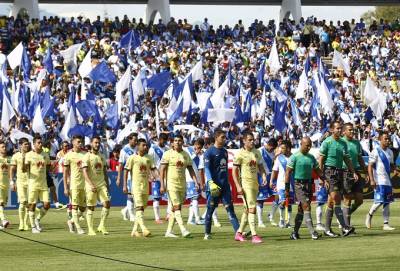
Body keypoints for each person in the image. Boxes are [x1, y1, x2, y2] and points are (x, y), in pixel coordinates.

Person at [319, 121, 356, 237]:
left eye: (340, 128)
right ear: (331, 129)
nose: (339, 130)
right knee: (336, 198)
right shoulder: (327, 142)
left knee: (331, 201)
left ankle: (327, 229)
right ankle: (345, 227)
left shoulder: (343, 143)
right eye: (337, 128)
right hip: (330, 172)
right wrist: (321, 177)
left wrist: (353, 171)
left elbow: (347, 159)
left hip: (340, 172)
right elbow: (321, 160)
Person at [160, 134, 201, 238]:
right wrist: (162, 184)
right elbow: (162, 170)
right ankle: (183, 229)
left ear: (182, 142)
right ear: (172, 143)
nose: (177, 142)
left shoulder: (186, 155)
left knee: (176, 208)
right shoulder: (167, 154)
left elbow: (190, 168)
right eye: (176, 140)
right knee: (177, 206)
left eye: (179, 140)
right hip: (171, 184)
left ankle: (168, 232)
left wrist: (196, 182)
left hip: (182, 184)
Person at [203, 129, 240, 240]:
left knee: (230, 209)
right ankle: (207, 234)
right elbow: (207, 169)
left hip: (224, 187)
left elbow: (223, 170)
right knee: (210, 209)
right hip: (214, 186)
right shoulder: (209, 152)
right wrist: (210, 183)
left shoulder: (224, 151)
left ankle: (238, 232)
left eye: (225, 137)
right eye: (222, 137)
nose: (224, 139)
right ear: (216, 137)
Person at [232, 132, 268, 244]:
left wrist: (263, 176)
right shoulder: (240, 154)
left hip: (255, 184)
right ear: (244, 141)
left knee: (247, 210)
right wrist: (238, 186)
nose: (253, 142)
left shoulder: (257, 152)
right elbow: (234, 172)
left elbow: (261, 166)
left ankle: (239, 233)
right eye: (250, 140)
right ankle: (254, 235)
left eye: (253, 140)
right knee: (252, 208)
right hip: (245, 184)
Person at [285, 137, 324, 240]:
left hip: (309, 185)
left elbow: (318, 170)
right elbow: (288, 172)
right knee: (306, 206)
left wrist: (325, 179)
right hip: (299, 185)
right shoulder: (294, 157)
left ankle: (294, 233)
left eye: (310, 145)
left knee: (301, 209)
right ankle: (313, 232)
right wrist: (287, 188)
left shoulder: (311, 157)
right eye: (307, 145)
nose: (309, 147)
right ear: (301, 144)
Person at [124, 138, 157, 237]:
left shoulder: (148, 157)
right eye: (143, 145)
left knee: (142, 208)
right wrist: (125, 185)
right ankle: (144, 229)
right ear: (138, 146)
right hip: (136, 186)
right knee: (139, 207)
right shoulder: (132, 158)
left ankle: (134, 230)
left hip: (146, 186)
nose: (145, 147)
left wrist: (156, 176)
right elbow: (126, 171)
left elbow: (153, 168)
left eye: (146, 145)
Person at [365, 131, 399, 230]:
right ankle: (369, 215)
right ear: (380, 140)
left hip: (387, 180)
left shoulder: (390, 152)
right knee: (379, 201)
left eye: (388, 139)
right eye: (386, 139)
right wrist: (372, 179)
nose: (388, 140)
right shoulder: (375, 151)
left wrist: (395, 169)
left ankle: (386, 224)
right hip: (379, 180)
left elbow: (391, 164)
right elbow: (370, 166)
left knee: (387, 202)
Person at [82, 136, 110, 236]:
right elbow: (84, 172)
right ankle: (90, 229)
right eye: (95, 143)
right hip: (91, 185)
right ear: (91, 143)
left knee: (107, 204)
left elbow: (105, 172)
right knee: (91, 207)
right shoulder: (87, 156)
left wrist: (107, 184)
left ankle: (101, 226)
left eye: (98, 143)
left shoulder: (102, 156)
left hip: (102, 184)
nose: (97, 145)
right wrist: (90, 184)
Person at [23, 135, 51, 234]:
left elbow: (48, 167)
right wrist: (24, 163)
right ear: (34, 144)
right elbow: (24, 169)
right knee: (32, 205)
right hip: (33, 183)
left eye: (41, 142)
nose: (40, 144)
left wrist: (50, 168)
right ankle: (33, 227)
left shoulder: (45, 154)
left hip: (43, 183)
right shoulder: (29, 155)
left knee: (47, 205)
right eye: (38, 143)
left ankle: (37, 219)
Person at [342, 123, 367, 227]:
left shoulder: (357, 143)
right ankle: (347, 226)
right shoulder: (341, 142)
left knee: (359, 199)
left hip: (356, 171)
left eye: (353, 130)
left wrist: (365, 171)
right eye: (350, 130)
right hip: (345, 171)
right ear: (344, 131)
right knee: (347, 199)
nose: (352, 132)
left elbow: (360, 158)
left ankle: (345, 216)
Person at [63, 135, 86, 235]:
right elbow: (65, 173)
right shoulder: (68, 155)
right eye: (78, 142)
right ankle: (78, 227)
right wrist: (65, 187)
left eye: (81, 142)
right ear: (73, 142)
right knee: (75, 207)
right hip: (74, 184)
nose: (80, 144)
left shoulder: (85, 154)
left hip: (84, 184)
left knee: (83, 208)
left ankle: (71, 221)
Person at [270, 140, 293, 228]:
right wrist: (271, 181)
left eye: (283, 148)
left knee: (289, 203)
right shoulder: (279, 158)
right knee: (283, 201)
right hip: (281, 184)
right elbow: (274, 170)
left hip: (291, 184)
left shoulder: (294, 157)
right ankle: (281, 219)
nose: (281, 149)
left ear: (288, 148)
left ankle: (288, 221)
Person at [10, 138, 30, 231]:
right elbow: (12, 170)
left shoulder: (31, 155)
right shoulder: (15, 156)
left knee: (29, 203)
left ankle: (26, 223)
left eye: (28, 144)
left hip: (30, 181)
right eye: (25, 144)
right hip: (20, 182)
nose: (27, 146)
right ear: (20, 145)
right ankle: (21, 223)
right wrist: (11, 181)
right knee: (23, 202)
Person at [148, 133, 168, 224]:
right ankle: (157, 218)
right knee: (156, 198)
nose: (164, 142)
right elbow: (149, 162)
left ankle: (169, 215)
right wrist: (150, 174)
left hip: (166, 176)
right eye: (163, 140)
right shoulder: (153, 149)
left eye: (165, 140)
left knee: (169, 197)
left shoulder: (167, 149)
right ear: (159, 139)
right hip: (156, 176)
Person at [257, 138, 278, 227]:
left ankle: (271, 215)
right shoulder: (260, 151)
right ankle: (260, 221)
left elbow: (272, 162)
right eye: (272, 148)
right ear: (269, 145)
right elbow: (257, 164)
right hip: (261, 177)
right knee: (260, 200)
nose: (272, 150)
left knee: (278, 196)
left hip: (271, 177)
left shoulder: (273, 152)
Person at [117, 133, 137, 222]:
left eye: (136, 140)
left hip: (138, 176)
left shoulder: (137, 148)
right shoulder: (124, 150)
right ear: (129, 139)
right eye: (134, 140)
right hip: (129, 176)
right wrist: (118, 177)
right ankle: (132, 215)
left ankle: (125, 210)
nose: (136, 142)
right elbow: (120, 164)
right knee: (130, 196)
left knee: (135, 196)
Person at [186, 138, 205, 225]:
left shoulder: (201, 154)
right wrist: (195, 154)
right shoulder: (188, 150)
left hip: (196, 178)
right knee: (195, 198)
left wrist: (201, 182)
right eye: (198, 146)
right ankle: (197, 219)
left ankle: (190, 220)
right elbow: (187, 162)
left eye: (200, 147)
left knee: (194, 199)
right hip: (190, 178)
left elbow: (201, 168)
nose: (199, 149)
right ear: (195, 144)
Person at [0, 141, 11, 229]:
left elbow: (11, 171)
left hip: (6, 184)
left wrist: (11, 181)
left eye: (5, 147)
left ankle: (1, 222)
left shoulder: (9, 159)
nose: (4, 148)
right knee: (0, 203)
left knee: (2, 204)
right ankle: (3, 220)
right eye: (2, 147)